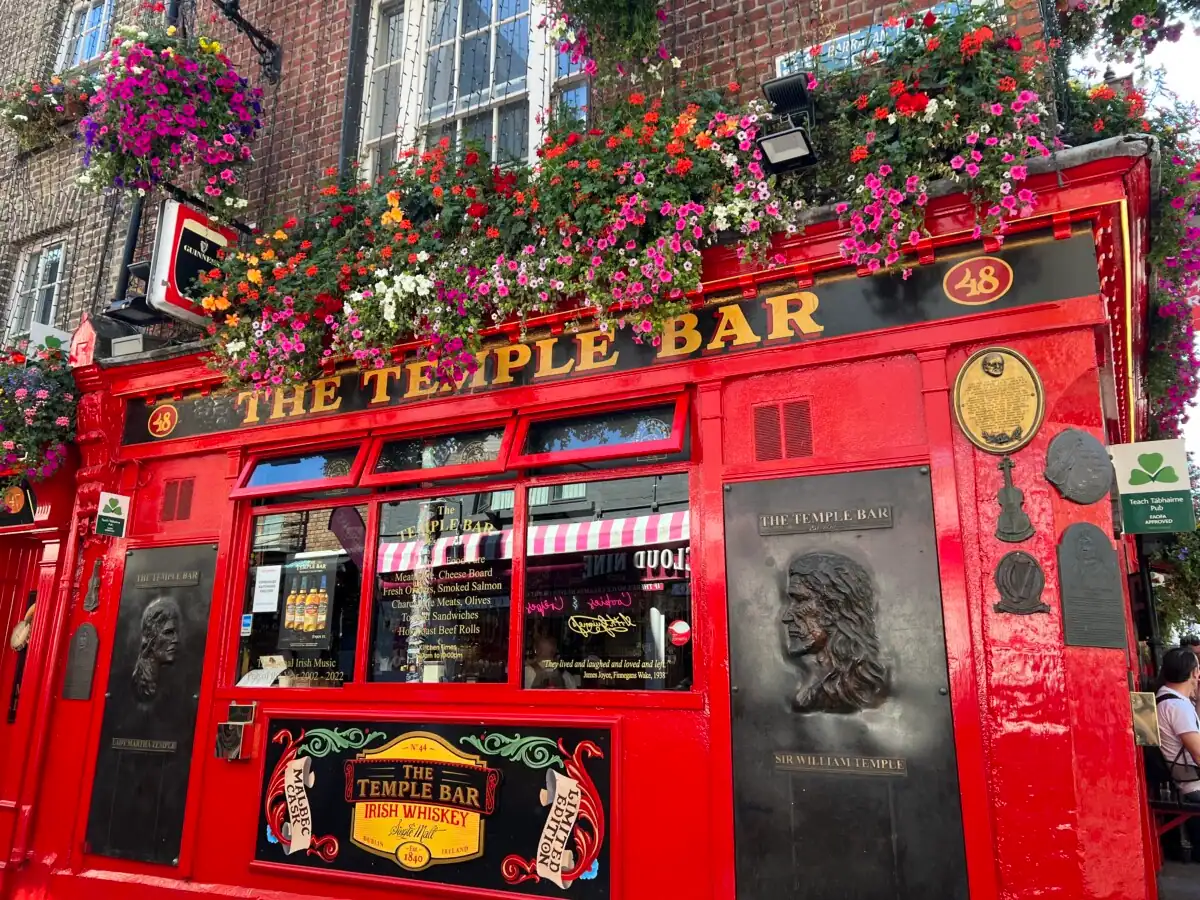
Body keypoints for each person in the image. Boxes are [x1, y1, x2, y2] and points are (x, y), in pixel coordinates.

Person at [1156, 647, 1200, 804]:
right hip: (1195, 785)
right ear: (1194, 673)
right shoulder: (1177, 706)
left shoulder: (1168, 698)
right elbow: (1198, 754)